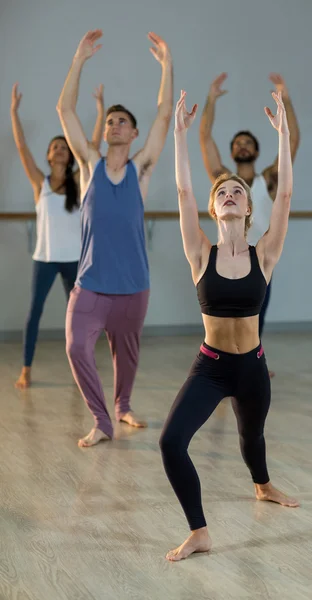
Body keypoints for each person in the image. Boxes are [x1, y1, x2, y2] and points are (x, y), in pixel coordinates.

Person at [159, 89, 299, 562]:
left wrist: (282, 134)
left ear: (247, 207)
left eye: (237, 190)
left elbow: (286, 194)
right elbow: (182, 190)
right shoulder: (201, 252)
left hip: (253, 367)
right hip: (211, 367)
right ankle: (199, 531)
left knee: (251, 437)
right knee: (171, 441)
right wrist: (178, 135)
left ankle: (262, 485)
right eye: (221, 192)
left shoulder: (266, 252)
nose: (230, 193)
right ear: (214, 210)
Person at [56, 30, 173, 447]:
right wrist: (79, 59)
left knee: (127, 355)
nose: (114, 124)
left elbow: (164, 116)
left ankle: (123, 406)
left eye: (122, 120)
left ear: (134, 133)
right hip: (90, 285)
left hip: (133, 286)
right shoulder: (90, 166)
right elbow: (65, 109)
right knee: (76, 348)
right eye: (110, 121)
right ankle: (101, 420)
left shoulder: (142, 169)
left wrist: (167, 67)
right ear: (105, 133)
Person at [199, 73, 300, 367]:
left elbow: (292, 142)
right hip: (225, 257)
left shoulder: (268, 180)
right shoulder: (224, 182)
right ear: (232, 152)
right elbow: (204, 139)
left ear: (256, 151)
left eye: (247, 143)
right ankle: (219, 365)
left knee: (255, 317)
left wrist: (286, 99)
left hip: (260, 258)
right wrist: (211, 100)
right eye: (238, 143)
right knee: (218, 316)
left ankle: (251, 364)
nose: (242, 146)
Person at [11, 82, 104, 389]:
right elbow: (22, 148)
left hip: (75, 261)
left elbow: (91, 146)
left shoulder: (79, 181)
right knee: (34, 313)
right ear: (49, 156)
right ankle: (26, 368)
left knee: (79, 319)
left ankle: (84, 370)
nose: (61, 149)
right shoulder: (41, 183)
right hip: (46, 260)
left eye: (64, 146)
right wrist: (13, 112)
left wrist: (101, 111)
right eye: (55, 147)